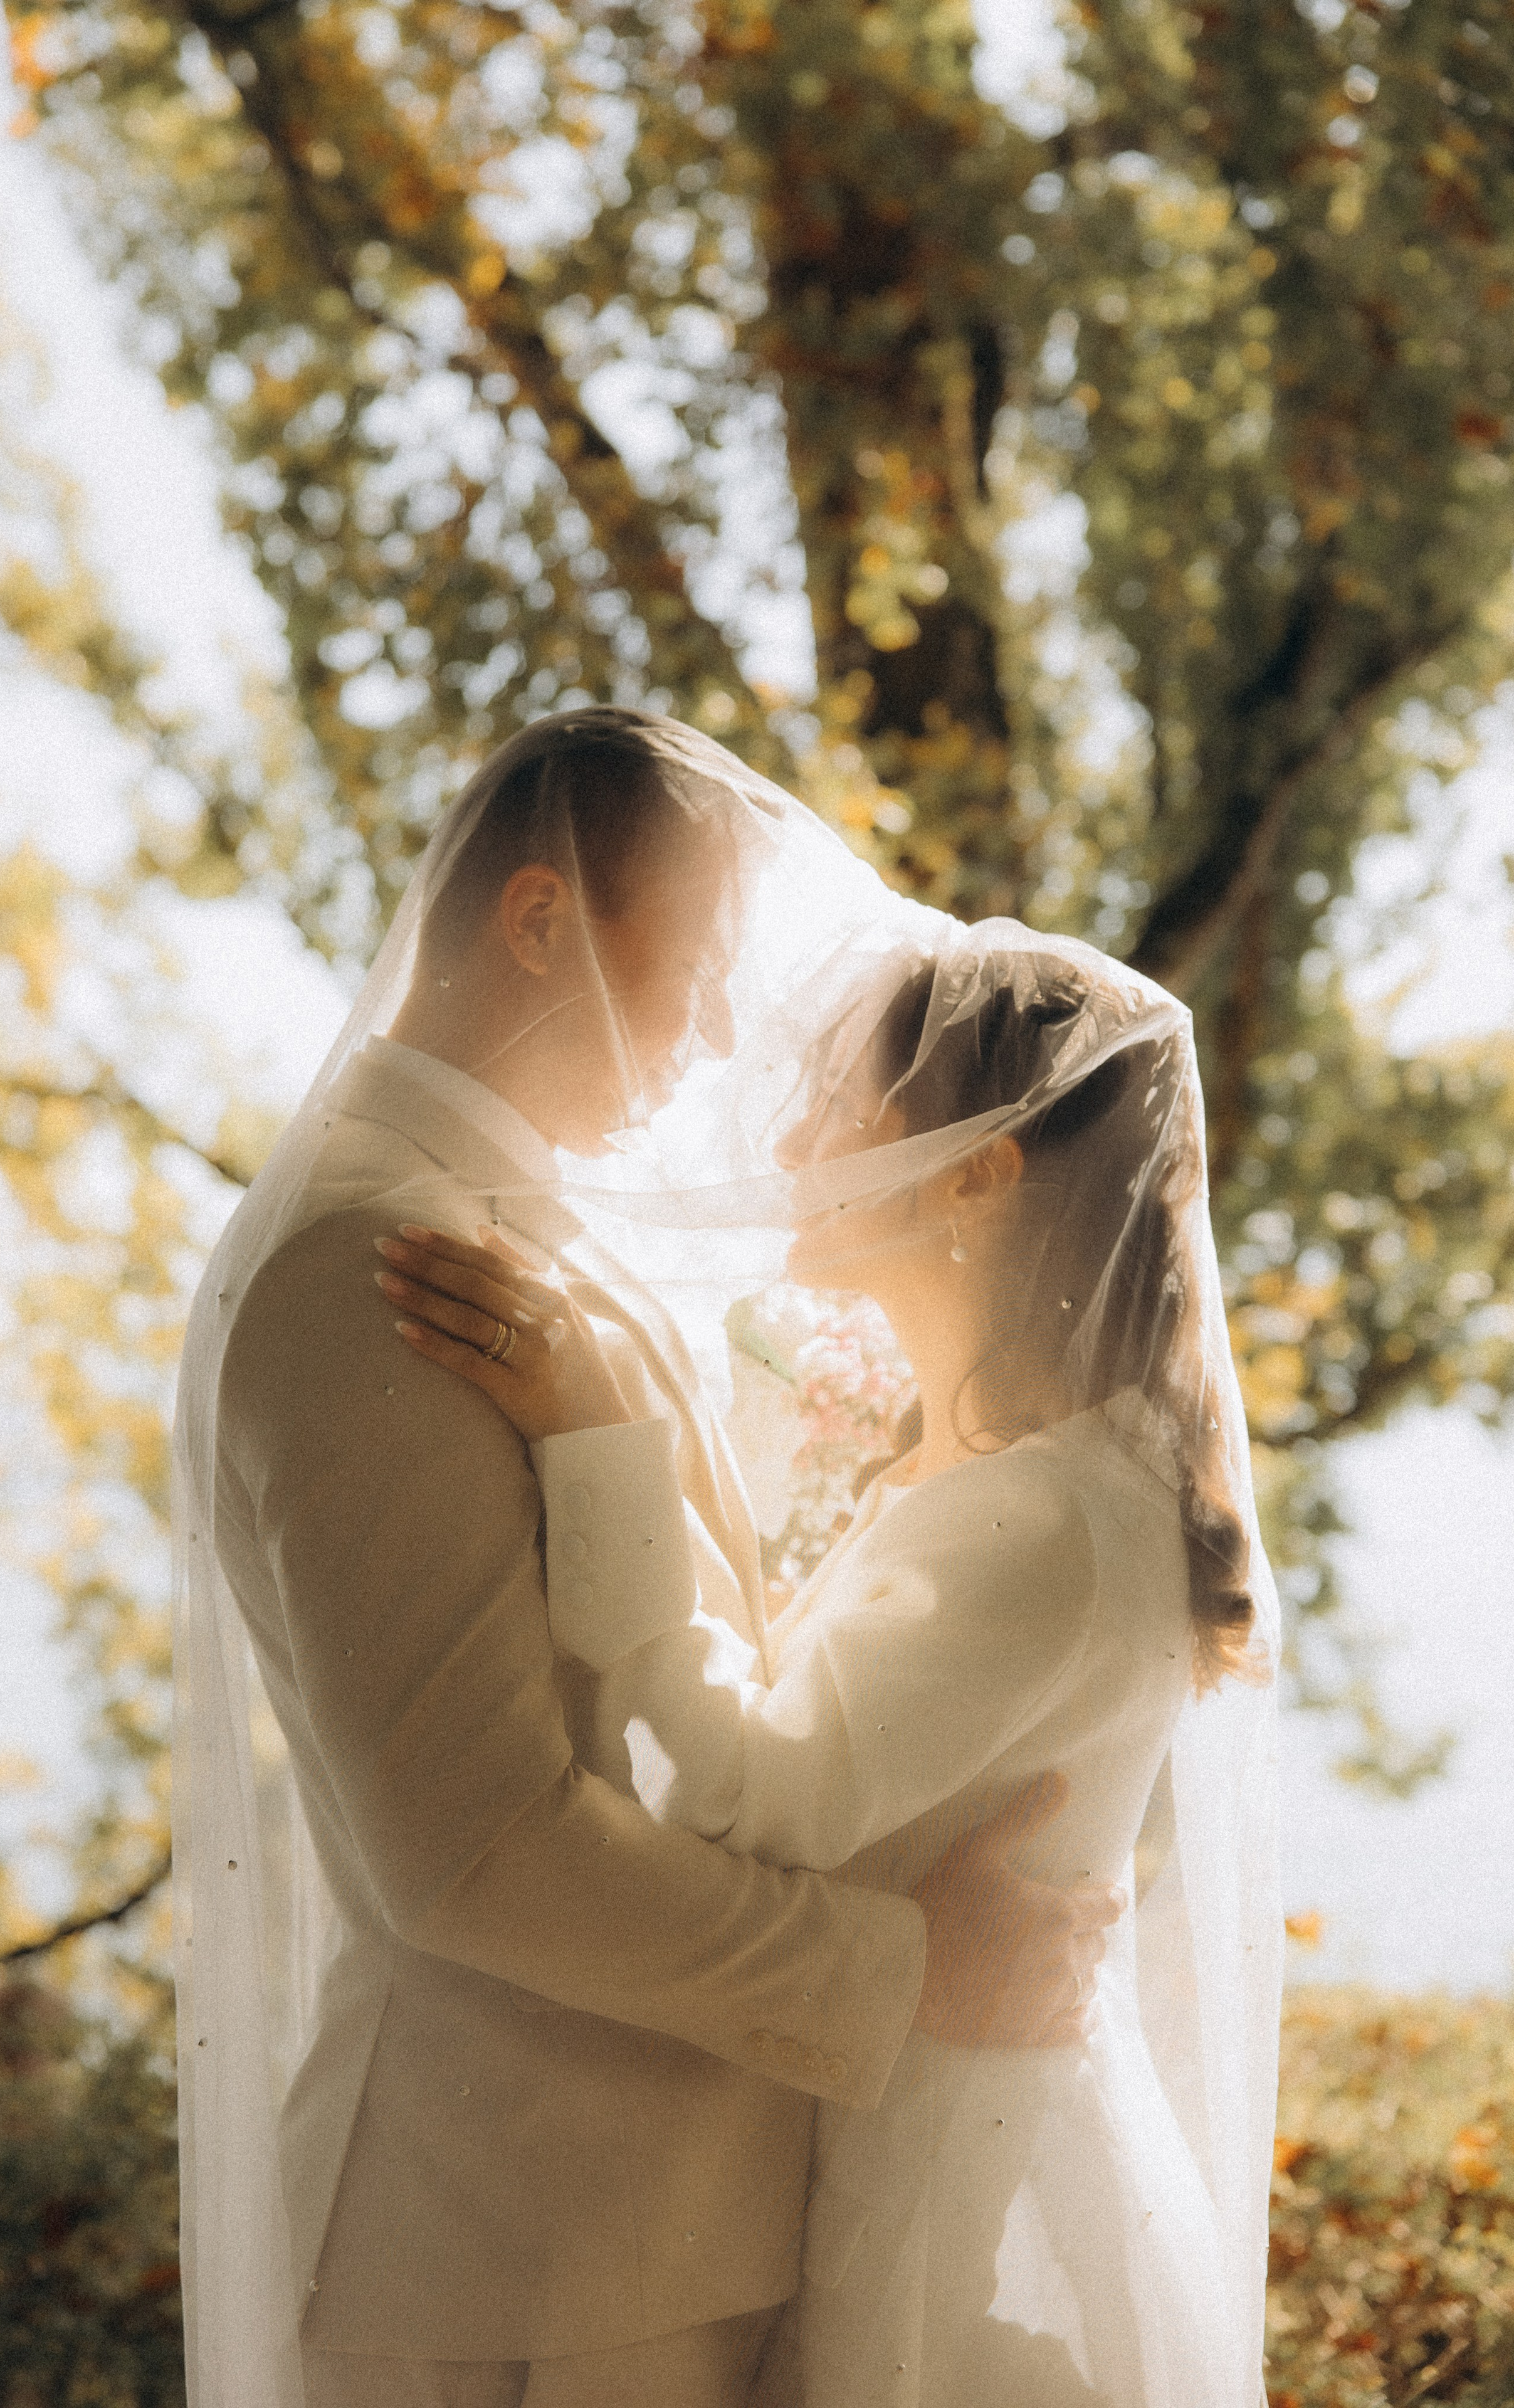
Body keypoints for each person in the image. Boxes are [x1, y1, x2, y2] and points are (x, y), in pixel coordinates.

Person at [171, 711, 1123, 2408]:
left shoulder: (489, 1229)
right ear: (539, 924)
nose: (704, 1042)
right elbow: (469, 1852)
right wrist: (911, 1973)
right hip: (507, 2264)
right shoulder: (370, 1267)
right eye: (685, 971)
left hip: (630, 2237)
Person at [383, 922, 1284, 2408]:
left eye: (839, 1106)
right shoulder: (1062, 1478)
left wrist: (600, 1445)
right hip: (961, 2136)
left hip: (932, 2214)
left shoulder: (1040, 1521)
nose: (791, 1138)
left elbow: (740, 1797)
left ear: (973, 1178)